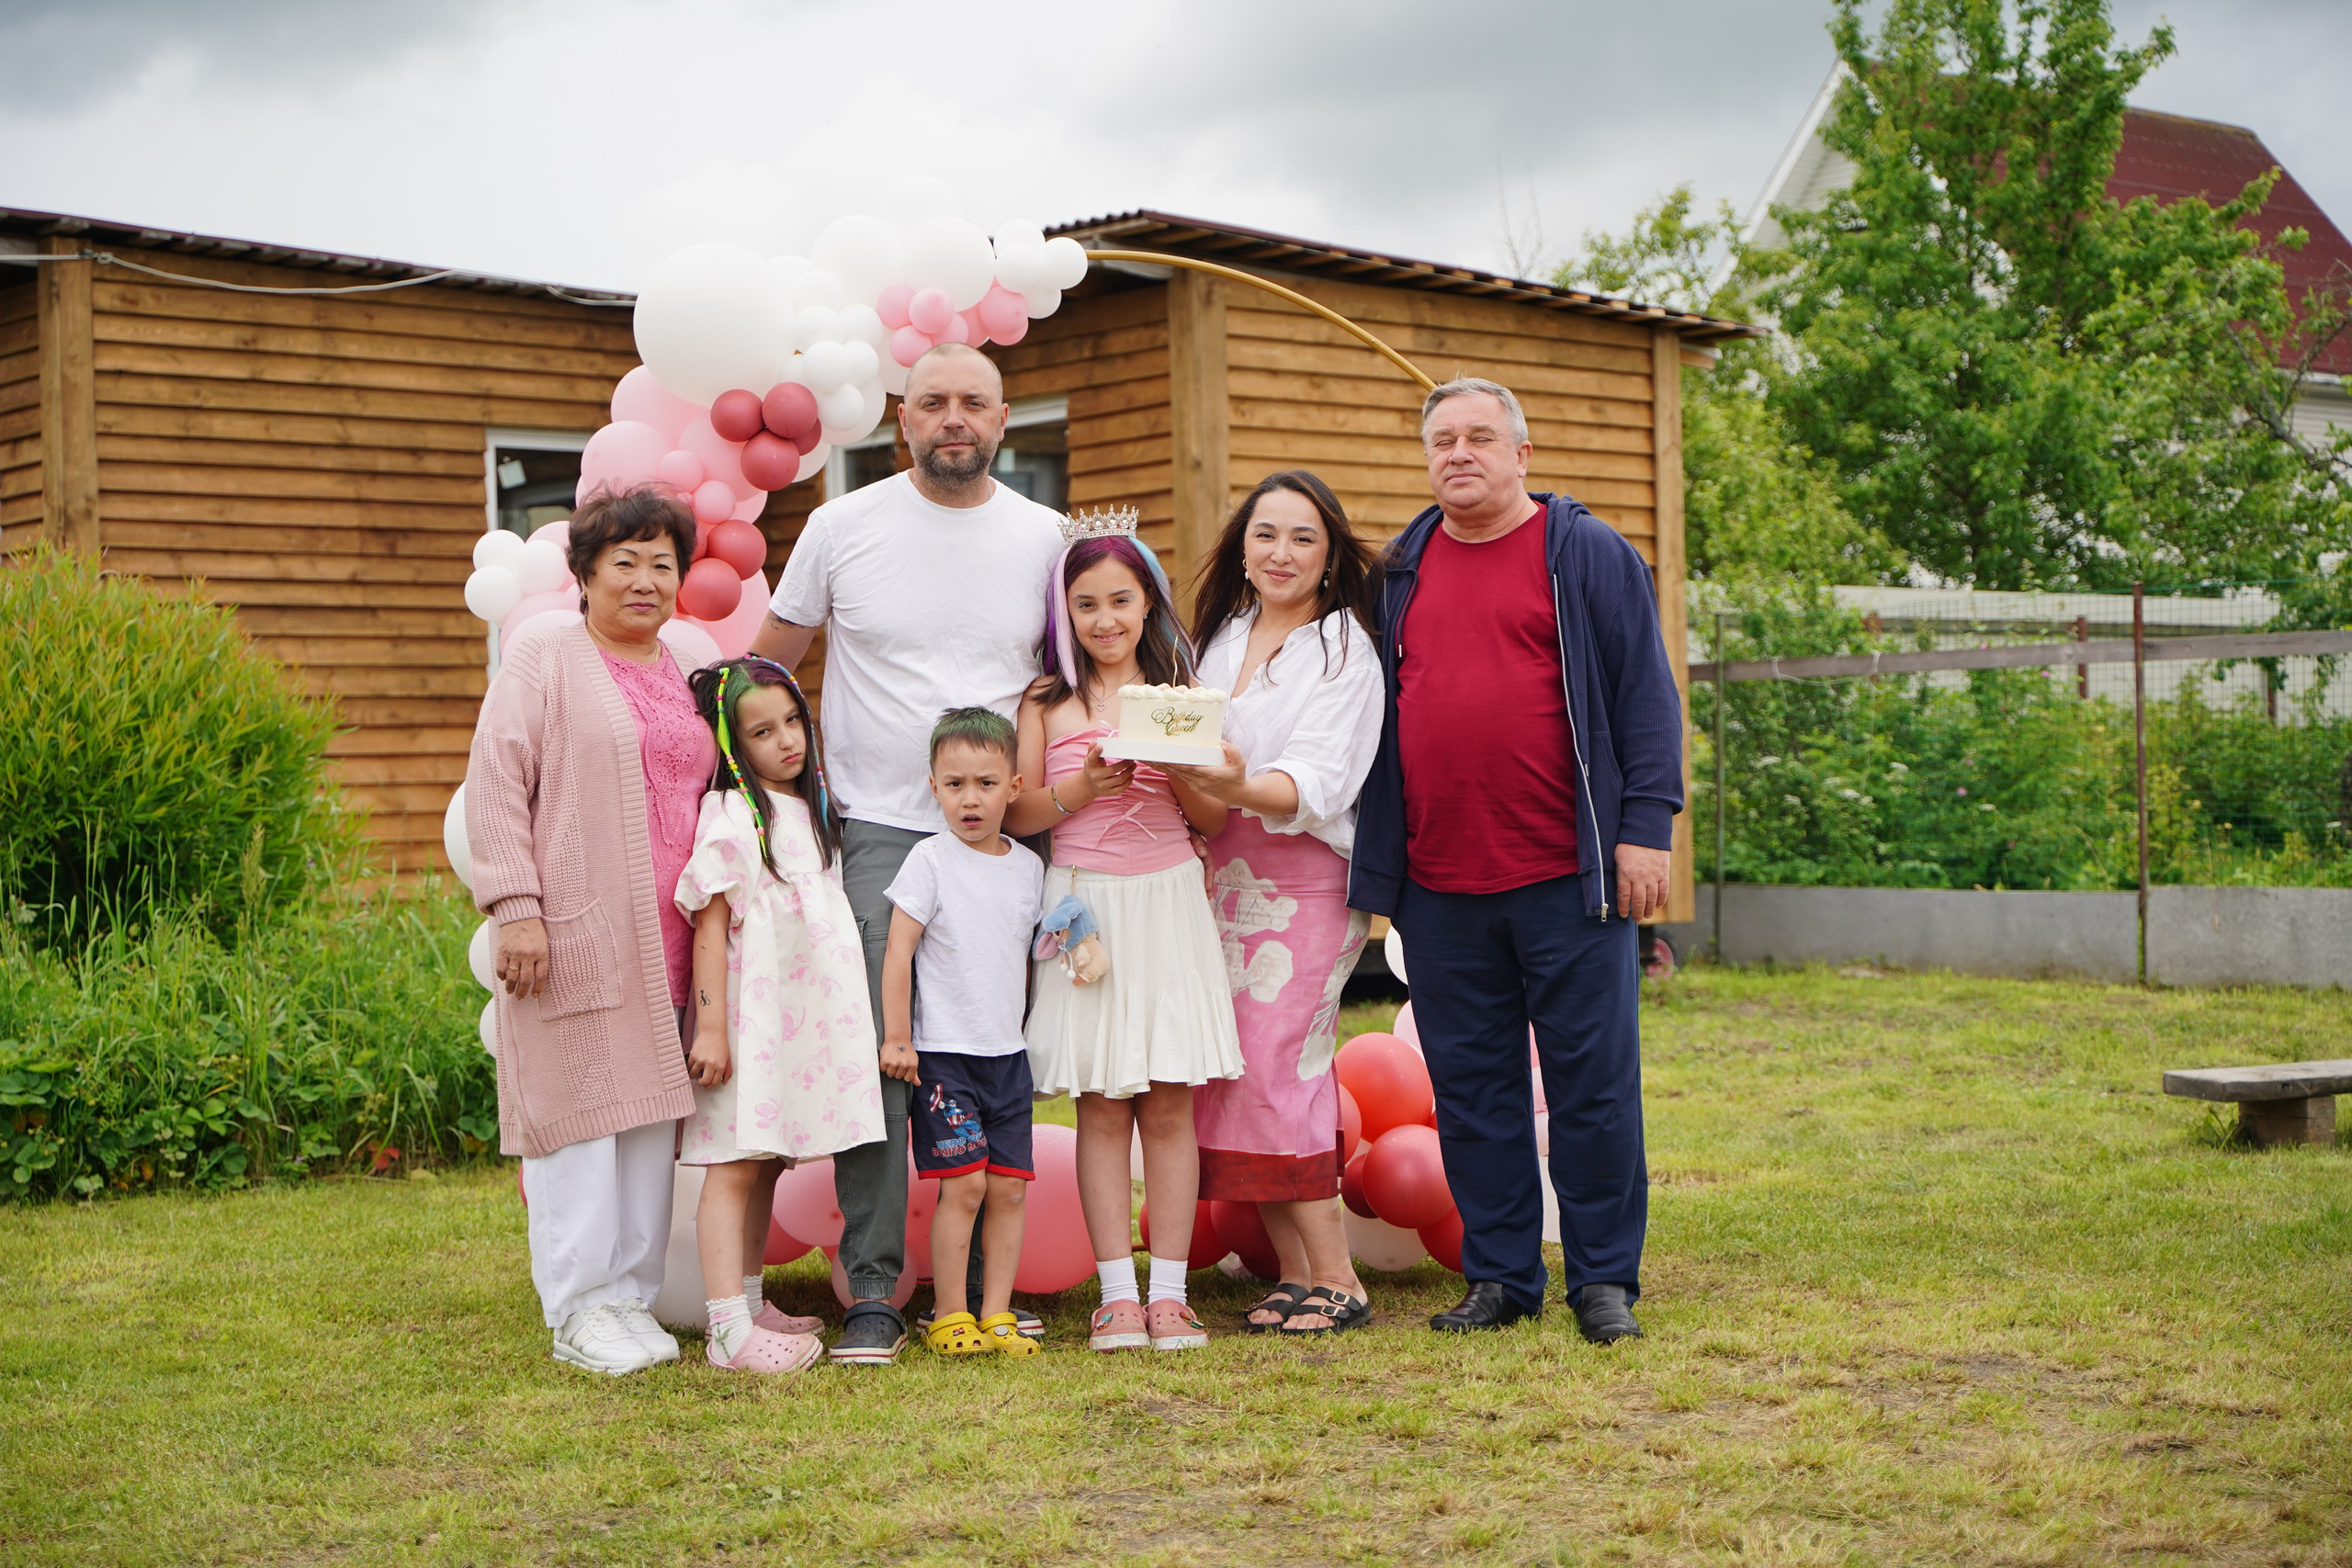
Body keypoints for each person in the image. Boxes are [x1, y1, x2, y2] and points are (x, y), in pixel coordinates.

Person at [1349, 378, 1683, 1344]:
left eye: (1480, 438)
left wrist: (1644, 830)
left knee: (1593, 1086)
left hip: (1567, 875)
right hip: (1438, 881)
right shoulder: (1399, 573)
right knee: (1473, 1092)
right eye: (1442, 439)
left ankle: (1602, 1280)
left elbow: (1644, 700)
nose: (1460, 453)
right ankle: (1500, 1277)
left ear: (1521, 454)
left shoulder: (1584, 553)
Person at [749, 342, 1064, 1364]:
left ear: (1003, 419)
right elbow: (766, 668)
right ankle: (879, 1286)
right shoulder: (842, 528)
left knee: (1002, 1047)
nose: (953, 419)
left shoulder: (1047, 539)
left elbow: (1086, 672)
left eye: (973, 401)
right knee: (883, 1054)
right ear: (903, 421)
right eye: (933, 402)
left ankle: (987, 1286)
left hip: (1010, 834)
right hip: (882, 827)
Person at [466, 485, 714, 1376]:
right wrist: (515, 908)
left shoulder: (682, 668)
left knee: (650, 1119)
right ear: (583, 572)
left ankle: (630, 1297)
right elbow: (497, 780)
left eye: (663, 563)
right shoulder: (544, 657)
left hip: (669, 939)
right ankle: (578, 1307)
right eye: (625, 562)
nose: (646, 580)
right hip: (574, 931)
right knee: (579, 1118)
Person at [1008, 520, 1242, 1353]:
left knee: (1170, 1098)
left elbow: (1215, 815)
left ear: (1148, 603)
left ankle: (1171, 1292)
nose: (1104, 619)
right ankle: (1116, 1292)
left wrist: (1182, 771)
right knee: (1102, 1104)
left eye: (1119, 600)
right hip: (1086, 904)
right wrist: (1083, 785)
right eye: (1085, 605)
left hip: (1169, 896)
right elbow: (1019, 809)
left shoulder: (1179, 696)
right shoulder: (1044, 701)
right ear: (1063, 613)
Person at [1166, 470, 1385, 1337]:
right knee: (1228, 1066)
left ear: (1330, 555)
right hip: (1215, 875)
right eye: (1267, 535)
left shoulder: (1345, 648)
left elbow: (1322, 781)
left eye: (1303, 537)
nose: (1282, 552)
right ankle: (1296, 1272)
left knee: (1280, 1065)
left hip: (1305, 879)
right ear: (1242, 549)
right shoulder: (1217, 638)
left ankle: (1340, 1275)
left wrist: (1235, 780)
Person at [674, 657, 883, 1374]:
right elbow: (710, 922)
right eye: (762, 731)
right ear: (734, 745)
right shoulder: (733, 815)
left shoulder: (811, 811)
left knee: (764, 1161)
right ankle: (726, 1327)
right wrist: (710, 1027)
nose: (786, 740)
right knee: (734, 1164)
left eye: (793, 721)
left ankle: (752, 1297)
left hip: (794, 1023)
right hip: (746, 1022)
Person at [879, 708, 1046, 1359]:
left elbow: (1033, 951)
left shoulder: (1028, 868)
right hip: (946, 1056)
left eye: (985, 782)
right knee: (966, 1183)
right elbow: (899, 952)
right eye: (954, 784)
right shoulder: (930, 860)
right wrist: (899, 1037)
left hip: (1009, 1056)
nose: (969, 798)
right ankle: (951, 1312)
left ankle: (997, 1313)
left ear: (1014, 785)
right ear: (933, 787)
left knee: (1007, 1186)